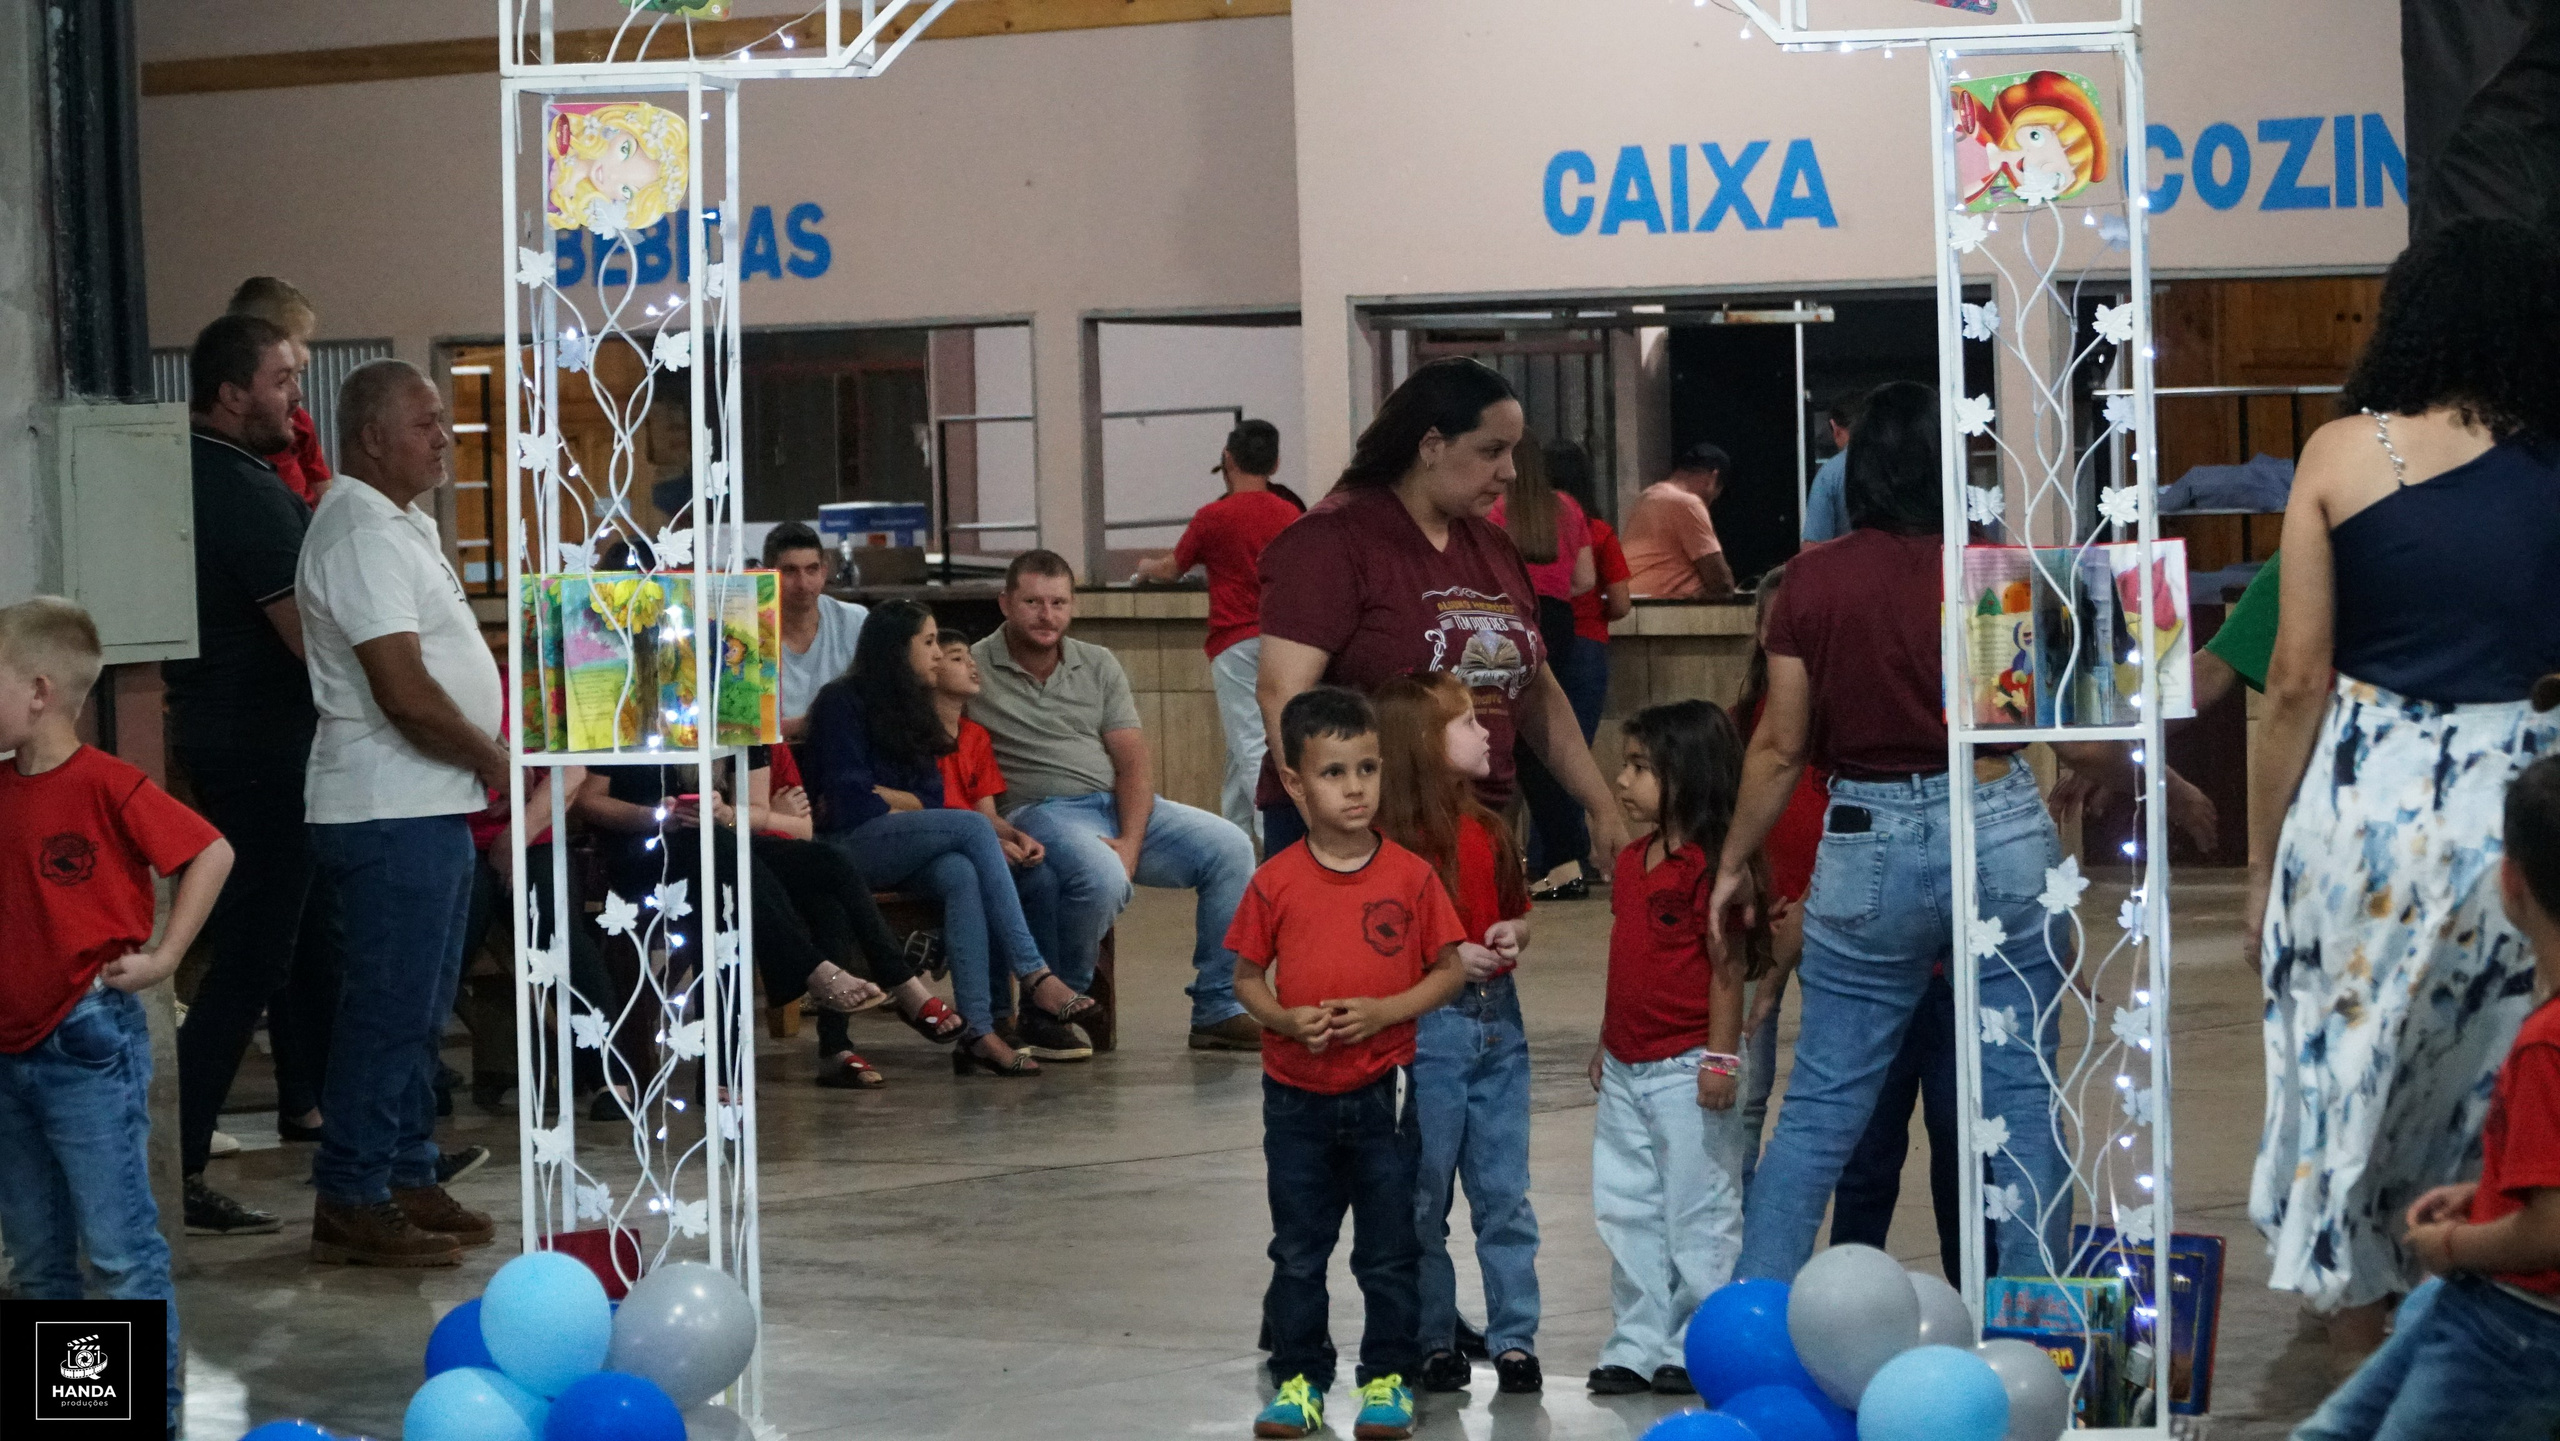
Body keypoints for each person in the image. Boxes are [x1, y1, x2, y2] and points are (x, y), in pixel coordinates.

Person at [1711, 381, 2127, 1283]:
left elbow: (1780, 746)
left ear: (1857, 468)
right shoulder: (1995, 571)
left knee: (1820, 1110)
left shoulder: (1812, 579)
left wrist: (1734, 859)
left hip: (1868, 836)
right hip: (1999, 820)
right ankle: (2037, 1322)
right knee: (2022, 1097)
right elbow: (2081, 737)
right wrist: (2140, 767)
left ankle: (1758, 1317)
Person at [2248, 217, 2560, 1370]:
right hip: (2527, 799)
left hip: (2368, 808)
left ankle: (2363, 1342)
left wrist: (2258, 865)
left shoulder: (2342, 452)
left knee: (2353, 1066)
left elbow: (2294, 678)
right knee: (2509, 1068)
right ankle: (2498, 1314)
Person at [0, 598, 234, 1438]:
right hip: (8, 1051)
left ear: (37, 691)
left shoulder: (108, 783)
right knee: (37, 1257)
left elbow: (210, 850)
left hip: (86, 1041)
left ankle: (143, 1419)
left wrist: (165, 956)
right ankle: (75, 1415)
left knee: (118, 1249)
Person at [1254, 358, 1630, 871]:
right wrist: (1335, 836)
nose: (1510, 472)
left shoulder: (1493, 545)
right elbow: (1282, 694)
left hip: (1468, 825)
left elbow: (1537, 693)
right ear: (1431, 445)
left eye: (1513, 451)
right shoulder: (1331, 539)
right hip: (1361, 829)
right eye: (1491, 451)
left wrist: (1600, 806)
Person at [297, 358, 507, 1267]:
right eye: (426, 423)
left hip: (429, 801)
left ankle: (407, 1167)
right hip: (387, 806)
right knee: (387, 1007)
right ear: (373, 437)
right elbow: (403, 690)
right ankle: (351, 1190)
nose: (445, 438)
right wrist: (494, 759)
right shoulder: (358, 533)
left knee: (421, 1008)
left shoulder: (402, 523)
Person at [2292, 754, 2560, 1440]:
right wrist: (2492, 1192)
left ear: (2511, 881)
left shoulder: (2546, 1044)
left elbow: (2552, 1231)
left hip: (2516, 1327)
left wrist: (2454, 1245)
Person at [1230, 687, 1467, 1441]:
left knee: (1389, 1251)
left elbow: (1450, 969)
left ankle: (1387, 1378)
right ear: (1295, 783)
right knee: (1299, 1251)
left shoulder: (1410, 876)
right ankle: (1299, 1380)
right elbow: (1244, 979)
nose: (1356, 787)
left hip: (1383, 1095)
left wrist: (1386, 1011)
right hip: (1294, 1098)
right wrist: (1282, 1018)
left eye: (1368, 768)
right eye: (1334, 773)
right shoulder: (1274, 880)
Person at [165, 312, 332, 1237]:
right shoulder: (240, 489)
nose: (295, 403)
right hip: (265, 750)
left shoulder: (199, 471)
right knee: (255, 957)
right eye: (281, 381)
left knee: (292, 947)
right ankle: (180, 1158)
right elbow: (313, 641)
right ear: (231, 393)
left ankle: (335, 1122)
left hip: (235, 741)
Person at [970, 552, 1263, 1051]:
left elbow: (1133, 764)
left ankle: (1217, 1007)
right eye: (1033, 602)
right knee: (1102, 878)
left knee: (1231, 847)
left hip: (1113, 805)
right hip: (1041, 810)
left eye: (1059, 603)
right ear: (1005, 603)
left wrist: (1130, 840)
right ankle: (1055, 1005)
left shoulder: (1097, 662)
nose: (1047, 615)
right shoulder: (973, 667)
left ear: (1073, 606)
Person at [805, 599, 1093, 1077]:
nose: (938, 653)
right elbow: (847, 799)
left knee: (961, 873)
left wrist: (892, 798)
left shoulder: (915, 706)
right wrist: (904, 804)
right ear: (897, 649)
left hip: (901, 843)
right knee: (974, 826)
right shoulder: (842, 701)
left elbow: (929, 795)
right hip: (847, 846)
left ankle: (978, 1033)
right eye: (929, 642)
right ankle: (1034, 972)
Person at [1374, 672, 1543, 1396]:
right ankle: (1433, 1337)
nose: (1484, 732)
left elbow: (1520, 912)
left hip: (1498, 1025)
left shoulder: (1491, 831)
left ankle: (1515, 1338)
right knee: (1424, 1194)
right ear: (1422, 743)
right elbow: (1382, 950)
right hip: (1430, 1032)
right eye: (1467, 721)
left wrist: (1512, 933)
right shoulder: (1390, 850)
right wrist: (1445, 962)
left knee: (1505, 1192)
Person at [1586, 701, 1761, 1397]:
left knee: (1700, 1211)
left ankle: (1694, 1344)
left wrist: (1720, 1059)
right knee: (1626, 1207)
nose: (1622, 780)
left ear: (1688, 775)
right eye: (1624, 765)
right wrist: (1606, 1041)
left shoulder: (1712, 869)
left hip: (1689, 1067)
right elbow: (1627, 960)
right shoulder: (1633, 861)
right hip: (1627, 1067)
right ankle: (1634, 1343)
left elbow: (1728, 969)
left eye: (1640, 767)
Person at [1133, 419, 1302, 843]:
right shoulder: (1291, 514)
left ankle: (1276, 845)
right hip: (1282, 642)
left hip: (1234, 642)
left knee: (1251, 745)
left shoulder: (1213, 516)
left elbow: (1173, 568)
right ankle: (1236, 841)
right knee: (1238, 749)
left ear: (1228, 459)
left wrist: (1145, 567)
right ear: (1276, 463)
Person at [929, 632, 1082, 1060]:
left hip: (982, 837)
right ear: (930, 670)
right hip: (944, 844)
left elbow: (986, 811)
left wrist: (1016, 836)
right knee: (984, 879)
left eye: (970, 657)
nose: (971, 665)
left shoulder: (975, 735)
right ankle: (997, 1015)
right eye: (956, 658)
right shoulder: (917, 735)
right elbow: (933, 810)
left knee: (1040, 876)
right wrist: (993, 841)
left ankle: (1038, 1014)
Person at [1489, 434, 1599, 895]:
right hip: (1557, 620)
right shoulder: (1568, 507)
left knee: (1514, 742)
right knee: (1547, 738)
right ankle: (1566, 856)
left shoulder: (1496, 510)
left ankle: (1543, 858)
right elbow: (1586, 579)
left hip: (1507, 616)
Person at [1546, 442, 1632, 899]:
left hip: (1537, 643)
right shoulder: (1597, 531)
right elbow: (1620, 603)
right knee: (1575, 750)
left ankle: (1546, 859)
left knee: (1540, 757)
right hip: (1586, 646)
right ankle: (1572, 860)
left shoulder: (1523, 529)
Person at [227, 276, 334, 507]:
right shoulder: (227, 429)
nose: (308, 354)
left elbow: (326, 496)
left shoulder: (299, 423)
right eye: (302, 341)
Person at [767, 521, 868, 742]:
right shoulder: (746, 632)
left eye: (811, 569)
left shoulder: (855, 621)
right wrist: (805, 725)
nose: (803, 584)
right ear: (767, 574)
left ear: (824, 571)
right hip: (773, 756)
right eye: (790, 571)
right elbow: (735, 726)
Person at [1620, 441, 1737, 599]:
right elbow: (1721, 582)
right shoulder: (1687, 503)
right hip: (1662, 606)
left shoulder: (1648, 496)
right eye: (1715, 495)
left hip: (1635, 603)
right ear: (1712, 477)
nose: (1709, 504)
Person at [1799, 397, 1860, 546]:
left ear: (1834, 427)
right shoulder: (1898, 466)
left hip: (1847, 560)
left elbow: (1813, 548)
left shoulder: (1830, 474)